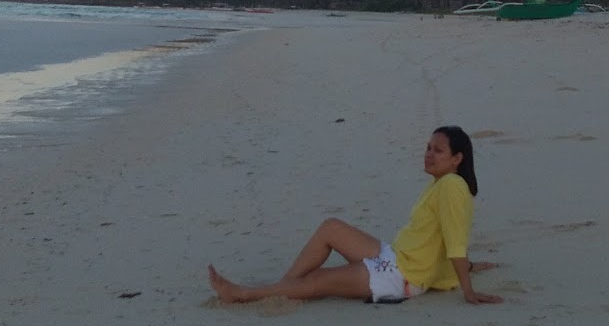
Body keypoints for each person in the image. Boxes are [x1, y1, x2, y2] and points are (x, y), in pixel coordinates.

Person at [207, 125, 502, 305]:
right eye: (427, 147)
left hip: (401, 277)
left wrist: (468, 290)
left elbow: (454, 241)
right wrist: (469, 267)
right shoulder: (443, 183)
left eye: (437, 150)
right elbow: (440, 238)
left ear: (457, 158)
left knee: (320, 280)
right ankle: (284, 289)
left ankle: (243, 295)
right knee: (330, 228)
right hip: (395, 256)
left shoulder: (451, 186)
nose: (428, 154)